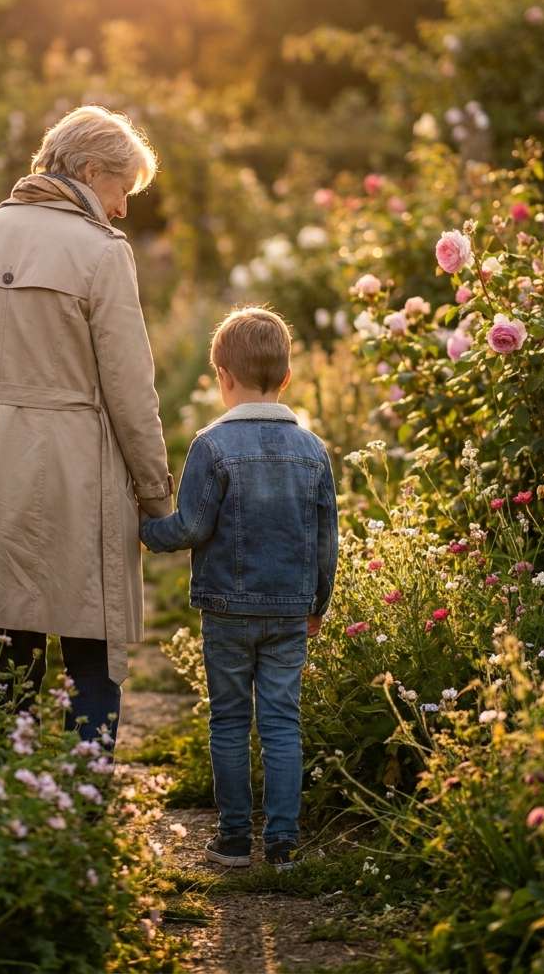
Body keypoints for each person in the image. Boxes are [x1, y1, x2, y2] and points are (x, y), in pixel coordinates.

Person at [0, 105, 173, 746]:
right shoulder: (101, 252)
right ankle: (85, 791)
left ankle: (8, 787)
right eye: (121, 192)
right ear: (91, 173)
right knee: (91, 633)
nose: (121, 211)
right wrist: (155, 494)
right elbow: (130, 390)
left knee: (7, 636)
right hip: (73, 468)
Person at [140, 306, 338, 871]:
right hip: (290, 609)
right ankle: (282, 843)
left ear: (222, 376)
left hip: (226, 609)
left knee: (229, 719)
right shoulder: (313, 451)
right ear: (287, 378)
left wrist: (146, 532)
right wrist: (317, 605)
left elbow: (193, 526)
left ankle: (232, 841)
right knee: (281, 720)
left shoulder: (211, 445)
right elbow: (328, 541)